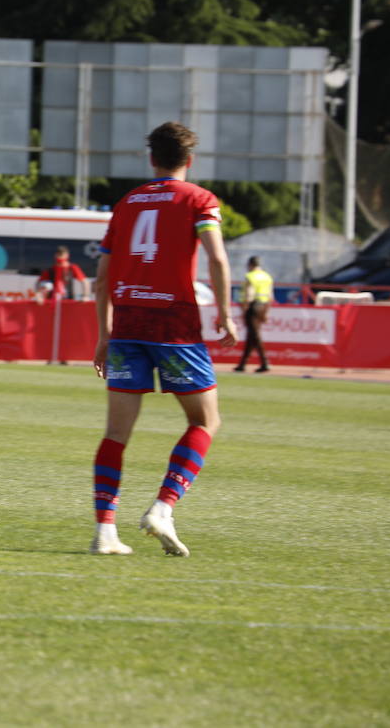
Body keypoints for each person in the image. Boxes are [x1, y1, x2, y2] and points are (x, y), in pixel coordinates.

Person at [89, 122, 237, 557]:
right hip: (174, 326)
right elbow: (217, 257)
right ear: (188, 160)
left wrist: (104, 336)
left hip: (129, 327)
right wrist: (226, 315)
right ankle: (163, 507)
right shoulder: (199, 200)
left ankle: (105, 532)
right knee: (204, 421)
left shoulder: (127, 203)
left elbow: (102, 279)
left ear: (151, 158)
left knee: (116, 433)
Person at [234, 256, 273, 373]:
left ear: (250, 265)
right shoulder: (267, 277)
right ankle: (242, 363)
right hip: (263, 306)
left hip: (253, 307)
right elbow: (271, 296)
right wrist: (266, 312)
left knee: (255, 335)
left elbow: (249, 295)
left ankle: (265, 362)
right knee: (251, 336)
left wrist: (244, 309)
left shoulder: (250, 276)